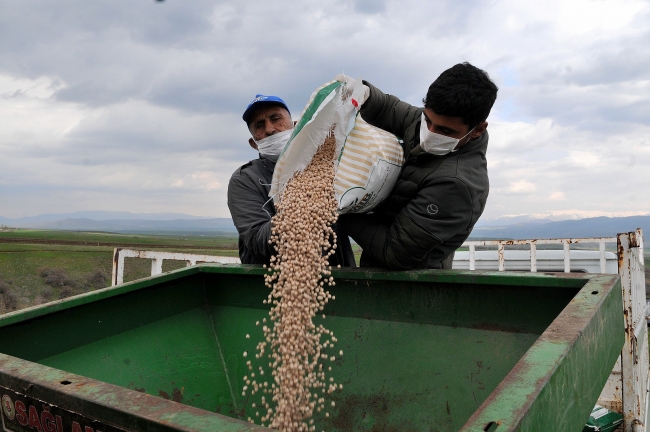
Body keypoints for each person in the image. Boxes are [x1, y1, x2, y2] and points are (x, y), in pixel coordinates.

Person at [338, 62, 498, 270]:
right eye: (427, 120)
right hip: (374, 264)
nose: (429, 133)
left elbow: (394, 251)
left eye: (445, 131)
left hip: (414, 285)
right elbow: (389, 108)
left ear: (477, 130)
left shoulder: (458, 185)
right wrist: (365, 94)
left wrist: (336, 208)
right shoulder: (426, 121)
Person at [227, 94, 355, 266]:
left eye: (276, 118)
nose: (270, 129)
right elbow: (260, 242)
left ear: (295, 126)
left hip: (338, 276)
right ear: (253, 143)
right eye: (260, 125)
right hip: (280, 286)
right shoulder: (245, 179)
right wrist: (306, 202)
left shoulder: (325, 165)